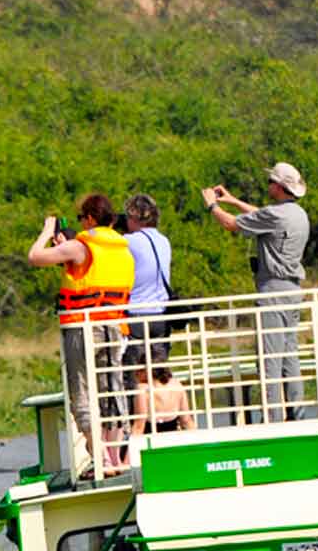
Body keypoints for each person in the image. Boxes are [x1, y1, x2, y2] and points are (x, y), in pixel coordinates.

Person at [28, 193, 134, 475]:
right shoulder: (121, 247)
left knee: (82, 392)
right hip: (114, 328)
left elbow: (35, 257)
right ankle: (115, 457)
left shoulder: (81, 246)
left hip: (83, 328)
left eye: (81, 220)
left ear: (89, 219)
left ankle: (100, 458)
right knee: (110, 392)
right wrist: (67, 250)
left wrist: (46, 233)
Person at [202, 161, 311, 422]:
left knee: (269, 359)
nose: (269, 185)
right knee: (289, 357)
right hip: (293, 291)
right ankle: (298, 415)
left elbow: (232, 225)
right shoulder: (297, 214)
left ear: (280, 187)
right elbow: (261, 215)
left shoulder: (276, 215)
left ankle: (272, 419)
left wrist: (213, 205)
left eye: (271, 182)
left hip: (272, 290)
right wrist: (234, 201)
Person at [121, 194, 174, 394]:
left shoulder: (128, 242)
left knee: (133, 372)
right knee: (159, 372)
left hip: (137, 314)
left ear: (134, 218)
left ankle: (135, 418)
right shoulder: (164, 241)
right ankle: (165, 415)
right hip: (162, 314)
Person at [129, 365, 195, 440]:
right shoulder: (176, 384)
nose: (135, 373)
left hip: (150, 441)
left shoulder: (142, 389)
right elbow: (187, 421)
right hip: (173, 439)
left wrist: (129, 448)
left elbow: (139, 426)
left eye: (139, 369)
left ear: (147, 371)